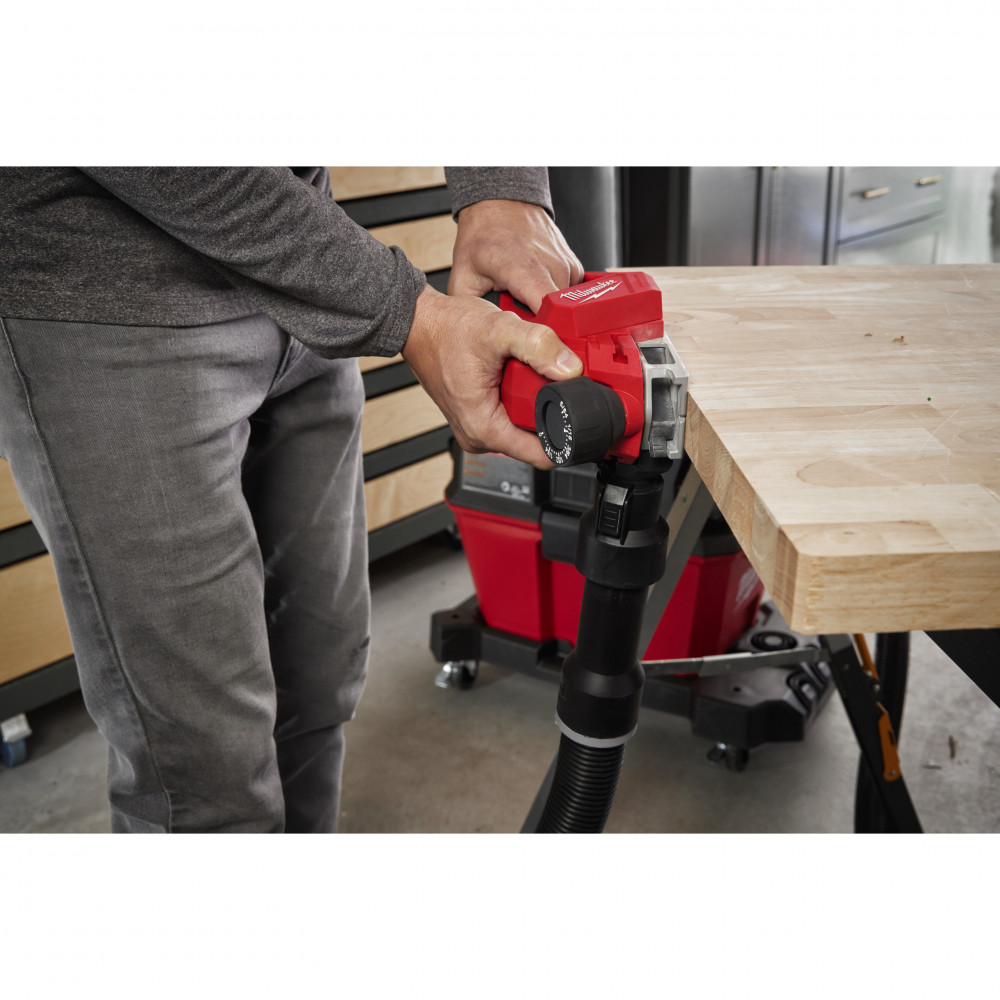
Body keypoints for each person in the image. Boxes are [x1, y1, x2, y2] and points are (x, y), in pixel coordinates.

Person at [0, 167, 584, 832]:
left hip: (300, 280)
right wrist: (411, 314)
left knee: (318, 683)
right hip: (109, 304)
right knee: (206, 776)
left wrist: (500, 189)